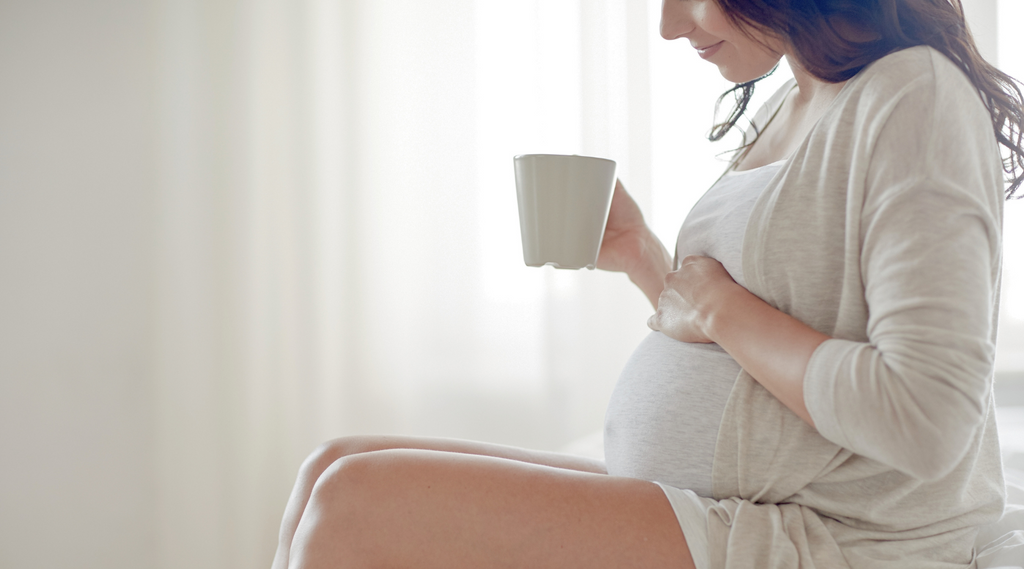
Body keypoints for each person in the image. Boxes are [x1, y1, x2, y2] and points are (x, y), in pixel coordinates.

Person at [272, 0, 1024, 567]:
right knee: (332, 465)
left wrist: (722, 307)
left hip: (834, 537)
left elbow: (927, 417)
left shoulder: (913, 96)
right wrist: (644, 260)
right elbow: (750, 334)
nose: (668, 25)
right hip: (740, 504)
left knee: (355, 503)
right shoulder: (792, 100)